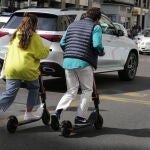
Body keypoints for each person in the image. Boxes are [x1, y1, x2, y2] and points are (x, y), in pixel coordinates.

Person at [51, 7, 105, 126]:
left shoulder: (72, 25)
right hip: (84, 62)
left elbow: (62, 43)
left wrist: (71, 52)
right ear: (97, 19)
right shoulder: (96, 27)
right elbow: (97, 45)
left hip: (68, 61)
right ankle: (80, 117)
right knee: (86, 90)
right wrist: (101, 52)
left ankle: (57, 113)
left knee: (71, 90)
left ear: (86, 15)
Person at [0, 13, 49, 120]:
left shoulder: (15, 34)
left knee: (10, 93)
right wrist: (46, 49)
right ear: (35, 24)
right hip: (27, 68)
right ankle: (28, 113)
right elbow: (40, 54)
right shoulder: (35, 37)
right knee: (34, 88)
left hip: (11, 67)